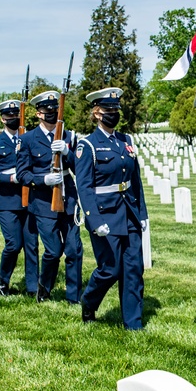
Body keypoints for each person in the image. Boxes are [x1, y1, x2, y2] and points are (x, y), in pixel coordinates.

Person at [75, 88, 149, 330]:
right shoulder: (88, 145)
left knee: (133, 269)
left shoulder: (126, 141)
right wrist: (94, 220)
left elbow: (134, 180)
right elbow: (84, 187)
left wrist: (143, 213)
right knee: (110, 269)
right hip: (104, 214)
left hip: (128, 213)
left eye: (116, 110)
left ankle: (133, 323)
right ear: (97, 114)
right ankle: (89, 301)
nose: (113, 115)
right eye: (108, 111)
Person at [16, 90, 83, 303]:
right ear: (38, 114)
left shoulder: (69, 136)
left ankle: (74, 296)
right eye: (47, 111)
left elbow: (80, 166)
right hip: (43, 201)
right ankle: (44, 286)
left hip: (68, 196)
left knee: (73, 249)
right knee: (54, 251)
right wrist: (43, 180)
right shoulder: (27, 139)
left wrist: (67, 152)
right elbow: (22, 174)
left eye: (55, 110)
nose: (51, 114)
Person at [0, 99, 40, 296]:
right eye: (9, 116)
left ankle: (32, 287)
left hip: (29, 199)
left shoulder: (28, 139)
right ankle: (3, 279)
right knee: (13, 244)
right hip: (7, 202)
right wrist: (10, 177)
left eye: (16, 116)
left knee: (31, 245)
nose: (13, 119)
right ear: (3, 119)